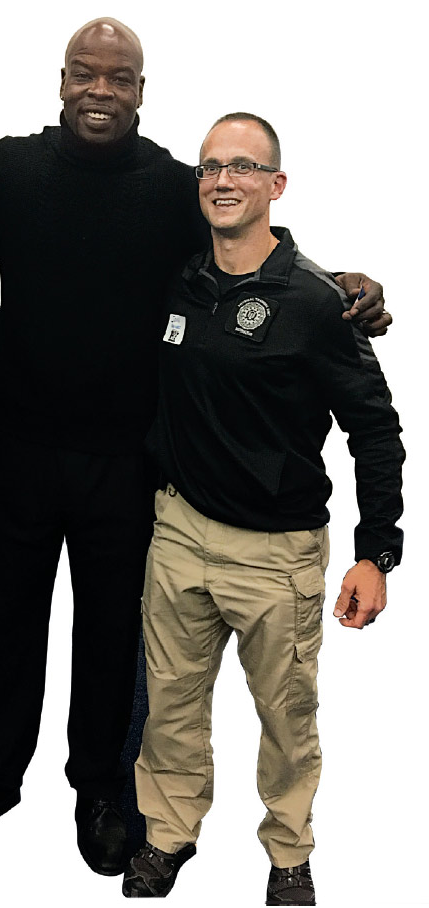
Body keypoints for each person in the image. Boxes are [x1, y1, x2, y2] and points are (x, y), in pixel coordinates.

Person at [0, 19, 390, 878]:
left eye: (121, 78)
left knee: (111, 639)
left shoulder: (179, 187)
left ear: (143, 90)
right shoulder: (8, 169)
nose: (101, 91)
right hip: (15, 454)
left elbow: (248, 246)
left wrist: (347, 284)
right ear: (61, 79)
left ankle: (101, 789)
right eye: (86, 75)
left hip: (130, 466)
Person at [121, 113, 404, 904]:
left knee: (286, 719)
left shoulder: (319, 304)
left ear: (276, 186)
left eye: (244, 166)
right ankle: (169, 836)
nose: (223, 179)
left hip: (276, 554)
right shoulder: (182, 280)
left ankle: (289, 853)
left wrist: (375, 553)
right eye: (211, 166)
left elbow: (375, 430)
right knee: (171, 708)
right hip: (178, 533)